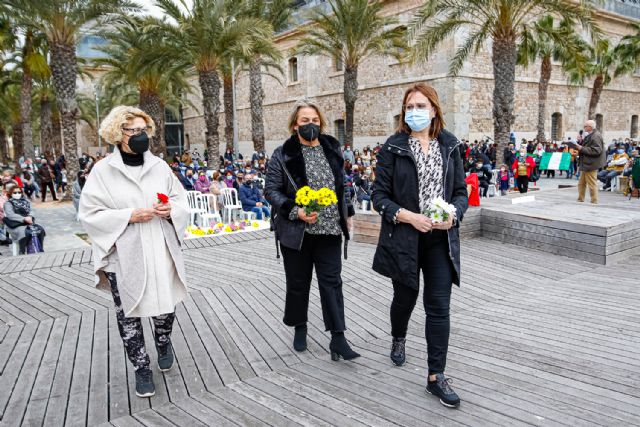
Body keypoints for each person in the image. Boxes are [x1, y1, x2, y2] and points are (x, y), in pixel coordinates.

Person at [78, 105, 189, 398]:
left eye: (144, 130)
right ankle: (141, 367)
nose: (140, 136)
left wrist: (170, 210)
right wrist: (128, 215)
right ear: (118, 134)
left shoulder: (160, 166)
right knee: (129, 314)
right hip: (123, 252)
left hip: (160, 246)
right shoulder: (103, 171)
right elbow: (89, 214)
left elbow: (181, 200)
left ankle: (163, 342)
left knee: (166, 307)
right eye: (133, 131)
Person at [371, 83, 468, 408]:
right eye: (409, 106)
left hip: (441, 240)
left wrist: (453, 215)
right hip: (405, 239)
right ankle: (399, 337)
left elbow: (460, 192)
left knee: (439, 307)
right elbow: (378, 197)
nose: (414, 111)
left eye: (421, 105)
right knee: (404, 299)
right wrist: (410, 217)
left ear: (434, 109)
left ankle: (435, 376)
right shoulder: (393, 147)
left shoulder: (450, 145)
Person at [265, 99, 359, 362]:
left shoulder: (332, 147)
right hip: (298, 232)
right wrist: (296, 211)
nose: (311, 125)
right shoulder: (283, 154)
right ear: (295, 125)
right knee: (298, 283)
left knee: (332, 283)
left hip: (330, 230)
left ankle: (338, 337)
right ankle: (300, 326)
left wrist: (347, 212)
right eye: (305, 121)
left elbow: (343, 184)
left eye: (315, 120)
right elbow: (271, 191)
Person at [575, 120, 606, 203]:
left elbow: (597, 150)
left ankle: (594, 200)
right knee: (581, 183)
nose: (584, 127)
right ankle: (580, 198)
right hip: (586, 163)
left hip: (591, 164)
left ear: (590, 127)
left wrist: (581, 148)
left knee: (592, 183)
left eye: (585, 126)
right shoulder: (591, 135)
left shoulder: (595, 136)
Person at [3, 185, 37, 254]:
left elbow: (32, 210)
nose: (17, 194)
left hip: (28, 222)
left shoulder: (26, 201)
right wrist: (24, 219)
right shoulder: (8, 203)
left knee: (40, 230)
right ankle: (22, 251)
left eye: (19, 192)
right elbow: (10, 215)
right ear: (10, 193)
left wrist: (30, 216)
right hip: (15, 225)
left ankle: (38, 249)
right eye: (15, 193)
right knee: (23, 231)